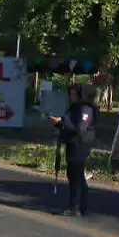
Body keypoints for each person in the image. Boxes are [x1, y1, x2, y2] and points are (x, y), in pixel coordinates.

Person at [49, 82, 98, 216]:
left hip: (80, 144)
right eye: (70, 94)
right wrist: (59, 124)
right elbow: (71, 125)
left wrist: (62, 121)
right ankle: (81, 206)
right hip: (74, 143)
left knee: (76, 175)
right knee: (76, 175)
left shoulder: (85, 109)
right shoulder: (76, 108)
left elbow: (80, 129)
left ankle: (75, 207)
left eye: (74, 94)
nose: (71, 96)